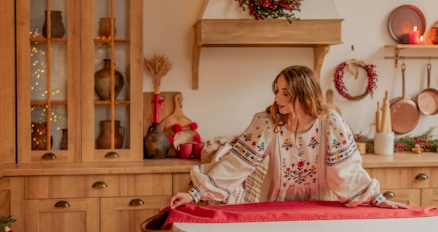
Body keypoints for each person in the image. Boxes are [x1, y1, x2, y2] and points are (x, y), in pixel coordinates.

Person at [170, 65, 409, 210]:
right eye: (277, 92)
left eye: (286, 93)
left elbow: (347, 172)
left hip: (319, 212)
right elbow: (236, 164)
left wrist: (376, 198)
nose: (277, 99)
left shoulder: (331, 124)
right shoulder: (267, 123)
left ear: (303, 94)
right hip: (273, 210)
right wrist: (195, 194)